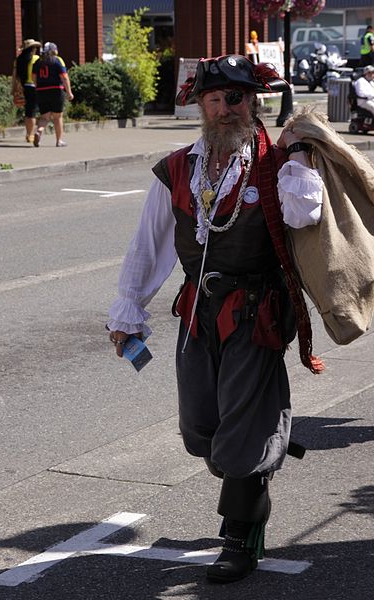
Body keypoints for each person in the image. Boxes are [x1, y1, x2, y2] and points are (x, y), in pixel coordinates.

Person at [107, 55, 324, 584]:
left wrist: (297, 151)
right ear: (200, 106)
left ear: (254, 102)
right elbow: (148, 245)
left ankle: (239, 538)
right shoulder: (178, 167)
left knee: (242, 435)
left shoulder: (279, 161)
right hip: (198, 312)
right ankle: (259, 461)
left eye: (236, 98)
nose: (226, 109)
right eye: (215, 99)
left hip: (258, 313)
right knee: (201, 431)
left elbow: (304, 215)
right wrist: (128, 311)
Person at [32, 42, 74, 147]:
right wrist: (69, 92)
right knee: (57, 116)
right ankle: (59, 140)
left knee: (44, 117)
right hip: (56, 90)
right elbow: (64, 77)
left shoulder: (38, 62)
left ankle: (39, 131)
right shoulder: (57, 60)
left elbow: (33, 77)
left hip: (41, 90)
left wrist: (37, 87)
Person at [11, 38, 41, 143]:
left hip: (24, 86)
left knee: (28, 112)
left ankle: (28, 134)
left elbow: (16, 75)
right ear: (32, 49)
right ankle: (31, 134)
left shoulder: (18, 59)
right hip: (33, 86)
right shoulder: (36, 59)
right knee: (33, 112)